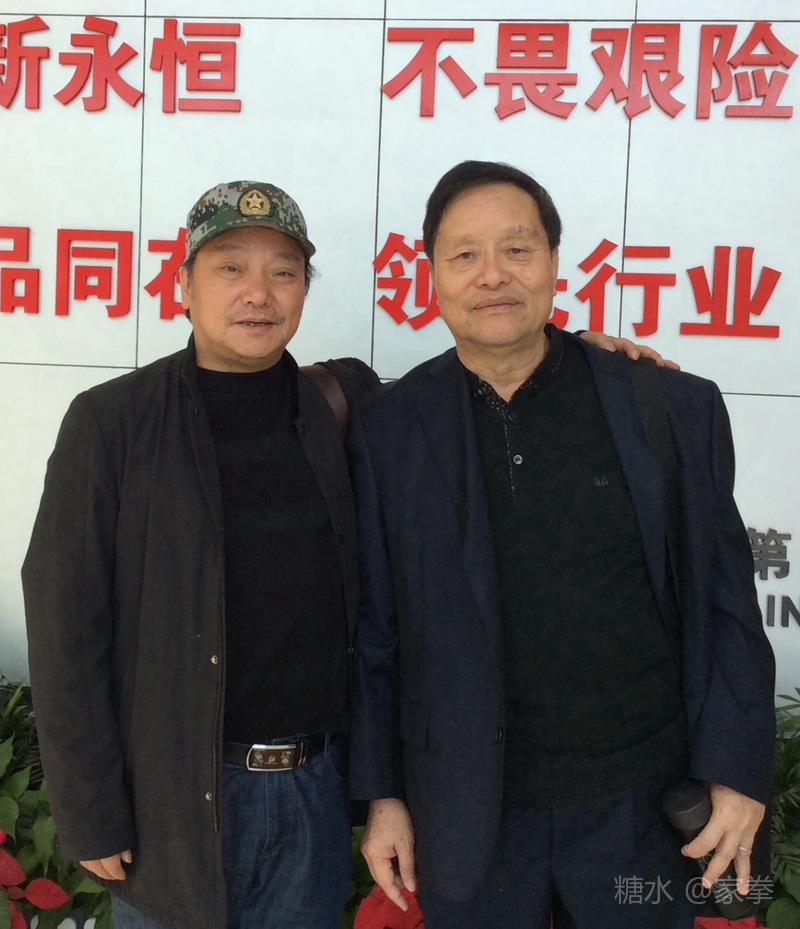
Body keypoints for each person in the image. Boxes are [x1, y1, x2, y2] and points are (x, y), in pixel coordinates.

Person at [21, 177, 670, 929]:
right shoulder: (113, 425)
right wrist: (90, 809)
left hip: (315, 790)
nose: (259, 293)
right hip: (174, 797)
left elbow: (482, 379)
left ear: (304, 290)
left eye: (284, 272)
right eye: (231, 268)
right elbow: (66, 627)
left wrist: (584, 356)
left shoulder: (345, 402)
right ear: (184, 284)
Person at [348, 160, 776, 929]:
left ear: (554, 261)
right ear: (432, 275)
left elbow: (726, 607)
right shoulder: (389, 429)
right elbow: (378, 632)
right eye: (465, 255)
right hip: (468, 813)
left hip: (639, 806)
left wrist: (738, 771)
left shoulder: (668, 408)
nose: (493, 275)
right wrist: (384, 795)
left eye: (517, 249)